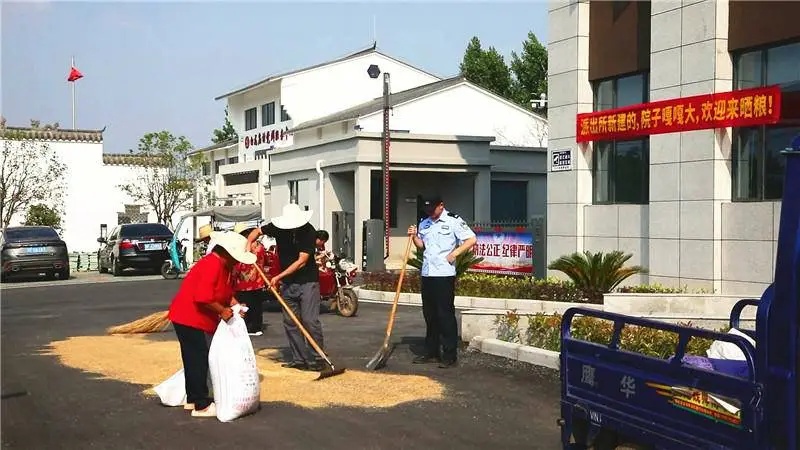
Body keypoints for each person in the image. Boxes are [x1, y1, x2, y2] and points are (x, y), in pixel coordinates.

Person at [167, 231, 255, 417]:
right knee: (198, 358)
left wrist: (233, 304)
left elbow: (223, 292)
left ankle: (193, 399)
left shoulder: (223, 267)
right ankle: (201, 404)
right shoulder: (212, 265)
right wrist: (222, 311)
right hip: (190, 317)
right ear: (227, 253)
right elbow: (203, 297)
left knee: (193, 358)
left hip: (192, 317)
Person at [247, 204, 324, 371]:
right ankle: (300, 359)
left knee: (310, 321)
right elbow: (256, 232)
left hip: (307, 282)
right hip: (288, 284)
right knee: (290, 322)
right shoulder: (278, 228)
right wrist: (249, 246)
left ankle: (317, 358)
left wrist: (278, 277)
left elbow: (301, 261)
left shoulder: (308, 231)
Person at [407, 196, 477, 368]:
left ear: (441, 205)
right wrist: (414, 237)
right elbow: (422, 246)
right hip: (428, 273)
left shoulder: (453, 220)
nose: (430, 212)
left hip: (444, 274)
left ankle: (449, 354)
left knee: (445, 315)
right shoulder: (424, 223)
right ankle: (431, 352)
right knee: (429, 315)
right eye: (427, 210)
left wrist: (455, 253)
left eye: (433, 209)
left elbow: (471, 239)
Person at [233, 223, 270, 336]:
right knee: (256, 304)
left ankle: (248, 327)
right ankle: (256, 326)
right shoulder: (259, 245)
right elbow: (265, 261)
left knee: (245, 304)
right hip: (258, 280)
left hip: (243, 280)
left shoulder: (242, 246)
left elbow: (238, 263)